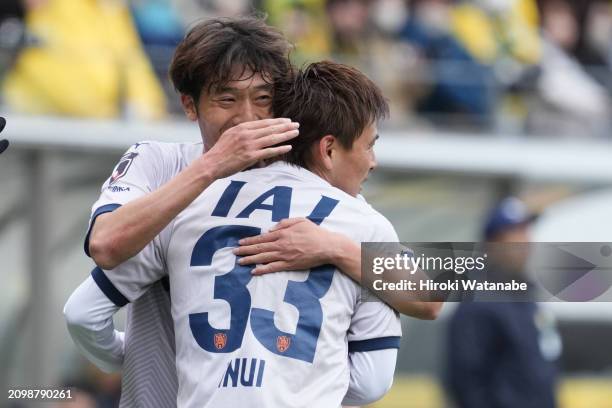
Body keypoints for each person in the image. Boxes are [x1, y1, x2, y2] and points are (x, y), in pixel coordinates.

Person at [66, 14, 440, 407]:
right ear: (189, 106)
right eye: (227, 99)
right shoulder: (158, 163)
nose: (246, 117)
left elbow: (437, 292)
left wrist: (333, 249)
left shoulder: (337, 206)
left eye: (263, 99)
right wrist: (212, 166)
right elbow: (105, 244)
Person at [446, 197, 561, 408]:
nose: (525, 242)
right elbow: (466, 381)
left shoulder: (526, 296)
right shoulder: (479, 301)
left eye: (526, 231)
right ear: (492, 245)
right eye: (514, 234)